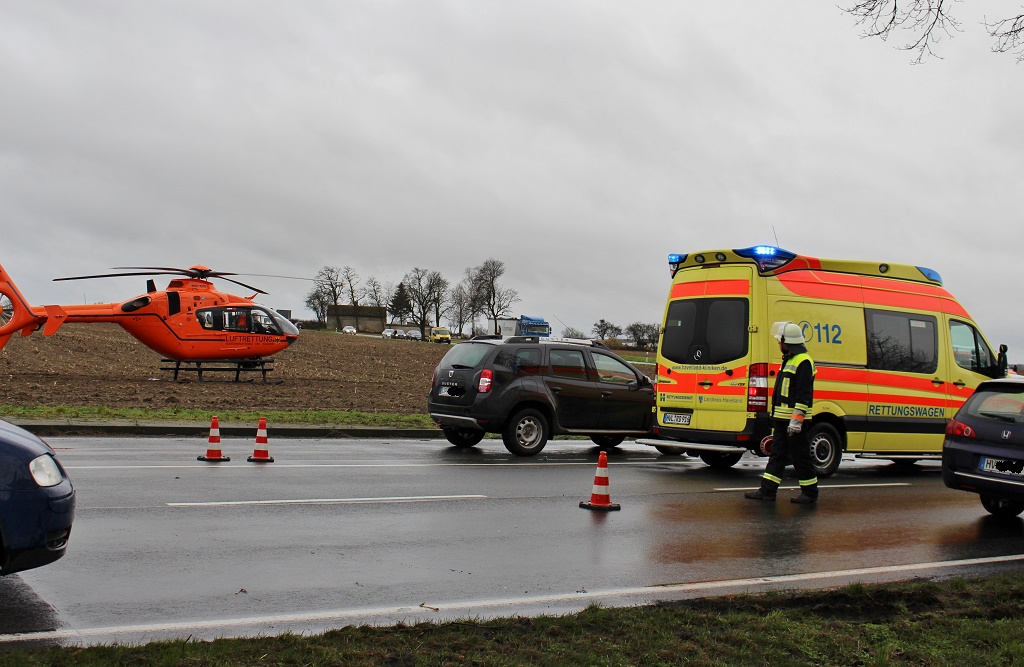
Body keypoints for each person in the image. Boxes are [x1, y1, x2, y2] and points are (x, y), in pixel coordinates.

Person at [745, 321, 819, 504]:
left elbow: (803, 394)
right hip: (782, 419)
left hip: (794, 422)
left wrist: (796, 421)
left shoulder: (803, 362)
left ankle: (810, 493)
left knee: (800, 456)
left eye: (780, 341)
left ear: (787, 342)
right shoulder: (789, 360)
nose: (778, 343)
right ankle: (767, 491)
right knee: (777, 455)